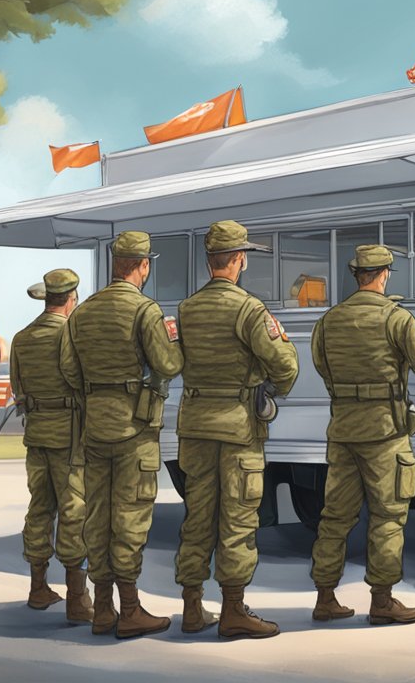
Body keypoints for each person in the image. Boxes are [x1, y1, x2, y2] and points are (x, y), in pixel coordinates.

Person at [309, 245, 415, 626]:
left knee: (335, 516)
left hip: (342, 429)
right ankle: (382, 599)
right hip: (385, 430)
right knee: (388, 516)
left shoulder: (329, 320)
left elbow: (322, 366)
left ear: (356, 274)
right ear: (385, 274)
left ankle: (325, 596)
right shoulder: (397, 318)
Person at [174, 221, 298, 640]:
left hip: (194, 426)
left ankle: (192, 607)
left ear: (210, 261)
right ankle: (232, 611)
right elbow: (286, 365)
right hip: (237, 428)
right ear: (239, 260)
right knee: (239, 519)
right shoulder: (249, 308)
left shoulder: (186, 309)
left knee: (197, 517)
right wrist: (270, 387)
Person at [60, 231, 184, 639]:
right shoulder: (145, 311)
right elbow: (167, 363)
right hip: (135, 428)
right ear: (144, 265)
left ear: (116, 263)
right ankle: (129, 610)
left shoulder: (84, 311)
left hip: (96, 425)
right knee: (130, 514)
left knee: (98, 514)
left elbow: (69, 370)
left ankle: (102, 609)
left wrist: (97, 394)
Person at [11, 269, 92, 622]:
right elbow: (82, 383)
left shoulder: (22, 337)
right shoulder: (72, 335)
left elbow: (17, 386)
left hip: (37, 432)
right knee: (74, 510)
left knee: (39, 508)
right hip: (69, 434)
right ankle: (77, 598)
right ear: (71, 298)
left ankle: (37, 587)